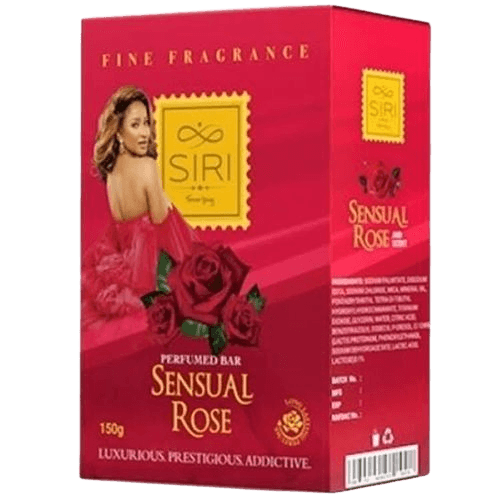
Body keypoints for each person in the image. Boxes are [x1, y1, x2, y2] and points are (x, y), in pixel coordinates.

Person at [81, 86, 197, 332]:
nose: (145, 132)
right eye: (135, 125)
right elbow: (161, 220)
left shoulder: (111, 172)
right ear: (118, 132)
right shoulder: (147, 166)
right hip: (146, 271)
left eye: (147, 123)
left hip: (116, 269)